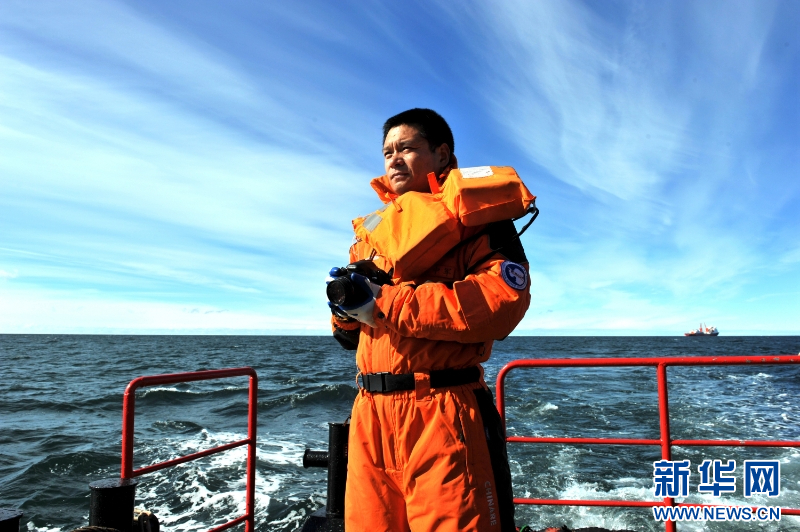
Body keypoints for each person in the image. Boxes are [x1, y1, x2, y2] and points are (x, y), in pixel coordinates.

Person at [327, 108, 531, 532]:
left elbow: (501, 302)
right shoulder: (371, 238)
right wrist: (344, 312)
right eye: (387, 152)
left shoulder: (480, 220)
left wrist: (387, 301)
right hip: (369, 414)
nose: (394, 159)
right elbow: (350, 339)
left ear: (441, 154)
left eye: (406, 148)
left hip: (443, 412)